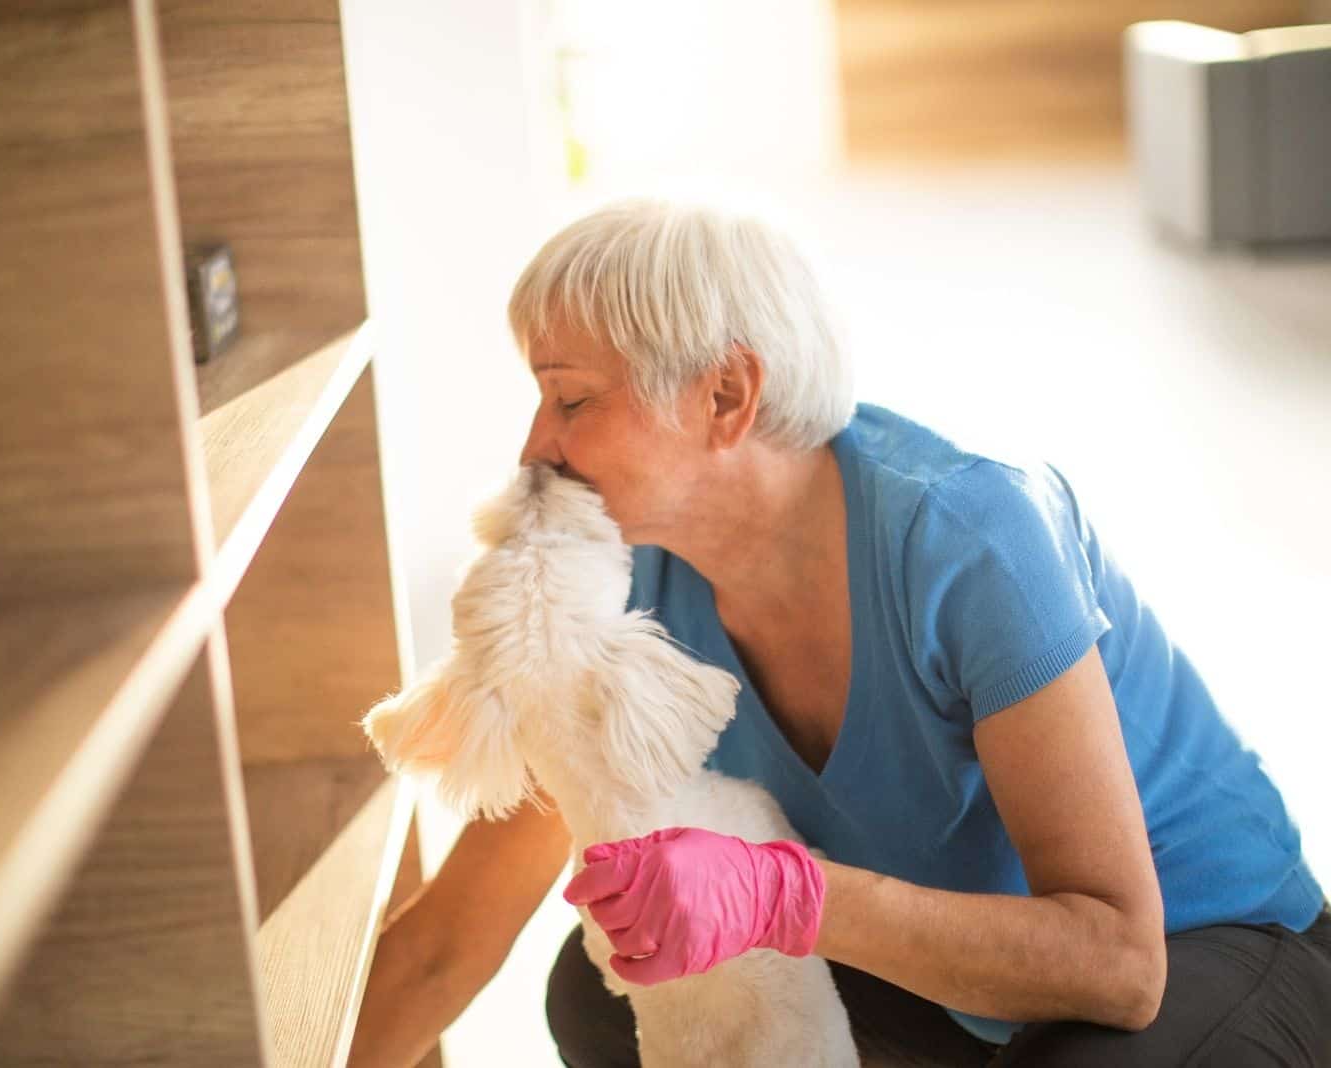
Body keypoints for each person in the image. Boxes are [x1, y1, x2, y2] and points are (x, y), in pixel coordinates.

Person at [348, 198, 1330, 1067]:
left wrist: (782, 896)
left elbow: (1121, 966)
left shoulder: (967, 536)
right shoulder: (629, 586)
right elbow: (446, 944)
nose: (534, 445)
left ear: (726, 397)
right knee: (600, 992)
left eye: (570, 398)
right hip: (967, 995)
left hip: (1215, 948)